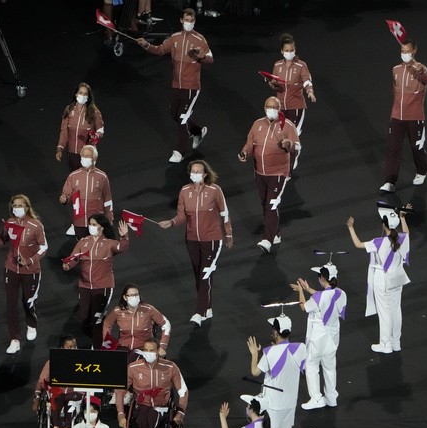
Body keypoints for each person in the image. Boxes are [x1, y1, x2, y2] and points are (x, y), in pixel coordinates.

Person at [159, 160, 233, 326]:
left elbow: (224, 213)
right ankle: (207, 307)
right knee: (199, 275)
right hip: (192, 240)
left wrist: (228, 234)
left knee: (205, 273)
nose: (195, 174)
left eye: (199, 171)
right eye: (193, 171)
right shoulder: (185, 191)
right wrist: (171, 222)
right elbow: (182, 215)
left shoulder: (215, 190)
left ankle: (199, 313)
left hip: (212, 239)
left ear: (205, 173)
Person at [135, 9, 213, 163]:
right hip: (176, 85)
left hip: (191, 86)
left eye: (191, 20)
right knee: (174, 114)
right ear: (181, 20)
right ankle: (197, 132)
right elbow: (159, 50)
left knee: (183, 118)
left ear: (194, 21)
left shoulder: (200, 39)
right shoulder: (174, 38)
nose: (189, 23)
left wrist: (200, 56)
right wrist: (146, 45)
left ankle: (180, 151)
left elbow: (210, 58)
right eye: (186, 20)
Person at [245, 315, 306, 428]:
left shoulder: (270, 352)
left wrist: (254, 354)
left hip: (275, 406)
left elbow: (255, 372)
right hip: (290, 404)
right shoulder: (300, 348)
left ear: (276, 332)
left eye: (273, 328)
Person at [0, 194, 48, 353]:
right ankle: (15, 339)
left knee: (28, 301)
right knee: (11, 304)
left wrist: (29, 261)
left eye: (20, 206)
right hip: (11, 268)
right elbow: (1, 242)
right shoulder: (10, 223)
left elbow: (44, 247)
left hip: (30, 270)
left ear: (26, 207)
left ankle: (31, 324)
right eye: (14, 206)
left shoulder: (36, 225)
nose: (17, 208)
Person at [238, 96, 300, 254]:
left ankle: (267, 239)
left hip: (278, 172)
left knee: (272, 204)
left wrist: (288, 144)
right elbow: (250, 142)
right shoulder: (257, 124)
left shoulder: (287, 125)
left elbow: (297, 145)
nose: (271, 109)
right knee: (266, 203)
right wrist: (245, 152)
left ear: (279, 109)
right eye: (268, 106)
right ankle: (276, 232)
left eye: (274, 107)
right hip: (259, 172)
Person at [347, 206, 410, 353]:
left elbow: (357, 244)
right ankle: (396, 342)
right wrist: (403, 217)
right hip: (398, 277)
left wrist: (351, 228)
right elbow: (406, 232)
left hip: (382, 278)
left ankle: (385, 344)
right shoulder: (401, 238)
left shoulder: (378, 241)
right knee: (396, 310)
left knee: (384, 311)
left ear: (384, 225)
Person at [116, 337, 188, 428]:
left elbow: (183, 391)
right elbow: (119, 391)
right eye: (146, 350)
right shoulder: (133, 367)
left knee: (153, 416)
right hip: (141, 404)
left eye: (152, 350)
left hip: (162, 406)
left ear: (158, 351)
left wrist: (180, 414)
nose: (148, 353)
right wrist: (121, 414)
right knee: (143, 416)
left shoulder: (170, 367)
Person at [63, 214, 130, 347]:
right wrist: (68, 265)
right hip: (85, 286)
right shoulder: (83, 242)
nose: (91, 227)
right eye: (90, 224)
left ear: (102, 227)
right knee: (83, 319)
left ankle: (97, 347)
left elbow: (121, 247)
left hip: (103, 287)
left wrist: (124, 237)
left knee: (97, 319)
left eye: (94, 224)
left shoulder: (109, 243)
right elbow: (74, 257)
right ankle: (105, 342)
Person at [291, 263, 347, 410]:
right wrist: (308, 289)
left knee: (311, 366)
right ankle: (331, 397)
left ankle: (316, 398)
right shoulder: (341, 293)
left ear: (323, 278)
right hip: (333, 337)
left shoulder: (320, 297)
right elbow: (325, 298)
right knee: (329, 367)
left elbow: (304, 307)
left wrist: (300, 291)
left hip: (317, 338)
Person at [382, 39, 427, 192]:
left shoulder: (420, 69)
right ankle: (390, 182)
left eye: (407, 51)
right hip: (397, 116)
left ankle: (421, 171)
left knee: (416, 147)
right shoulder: (395, 69)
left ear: (414, 51)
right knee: (393, 148)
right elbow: (394, 90)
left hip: (415, 116)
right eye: (402, 51)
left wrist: (422, 69)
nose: (404, 54)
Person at [268, 33, 316, 172]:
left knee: (292, 135)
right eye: (287, 50)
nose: (290, 53)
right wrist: (272, 84)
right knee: (281, 135)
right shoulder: (277, 65)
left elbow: (307, 80)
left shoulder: (301, 65)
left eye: (292, 50)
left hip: (297, 106)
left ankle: (290, 164)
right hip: (280, 107)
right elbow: (275, 84)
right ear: (282, 51)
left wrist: (310, 91)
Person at [102, 283, 171, 362]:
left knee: (129, 363)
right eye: (131, 295)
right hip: (123, 347)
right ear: (125, 297)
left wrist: (162, 346)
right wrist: (107, 342)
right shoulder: (118, 311)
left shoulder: (148, 309)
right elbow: (107, 324)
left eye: (136, 295)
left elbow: (166, 324)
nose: (134, 297)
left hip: (143, 349)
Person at [33, 334, 82, 428]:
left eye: (75, 346)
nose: (73, 349)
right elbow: (42, 381)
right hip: (59, 392)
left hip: (74, 393)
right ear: (62, 348)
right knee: (55, 399)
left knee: (71, 401)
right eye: (70, 347)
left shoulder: (82, 362)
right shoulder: (52, 362)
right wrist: (37, 398)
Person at [59, 145, 113, 239]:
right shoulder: (73, 176)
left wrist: (109, 216)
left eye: (87, 156)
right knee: (82, 246)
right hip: (79, 221)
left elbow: (107, 199)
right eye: (83, 155)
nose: (84, 158)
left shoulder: (102, 177)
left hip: (96, 221)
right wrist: (64, 199)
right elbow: (66, 195)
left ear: (94, 158)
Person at [56, 82, 104, 173]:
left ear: (88, 97)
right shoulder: (69, 110)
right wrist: (60, 148)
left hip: (87, 153)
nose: (82, 96)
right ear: (76, 94)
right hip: (72, 152)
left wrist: (96, 136)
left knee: (86, 178)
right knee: (74, 177)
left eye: (85, 94)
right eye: (80, 93)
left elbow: (100, 129)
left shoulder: (94, 111)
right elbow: (64, 131)